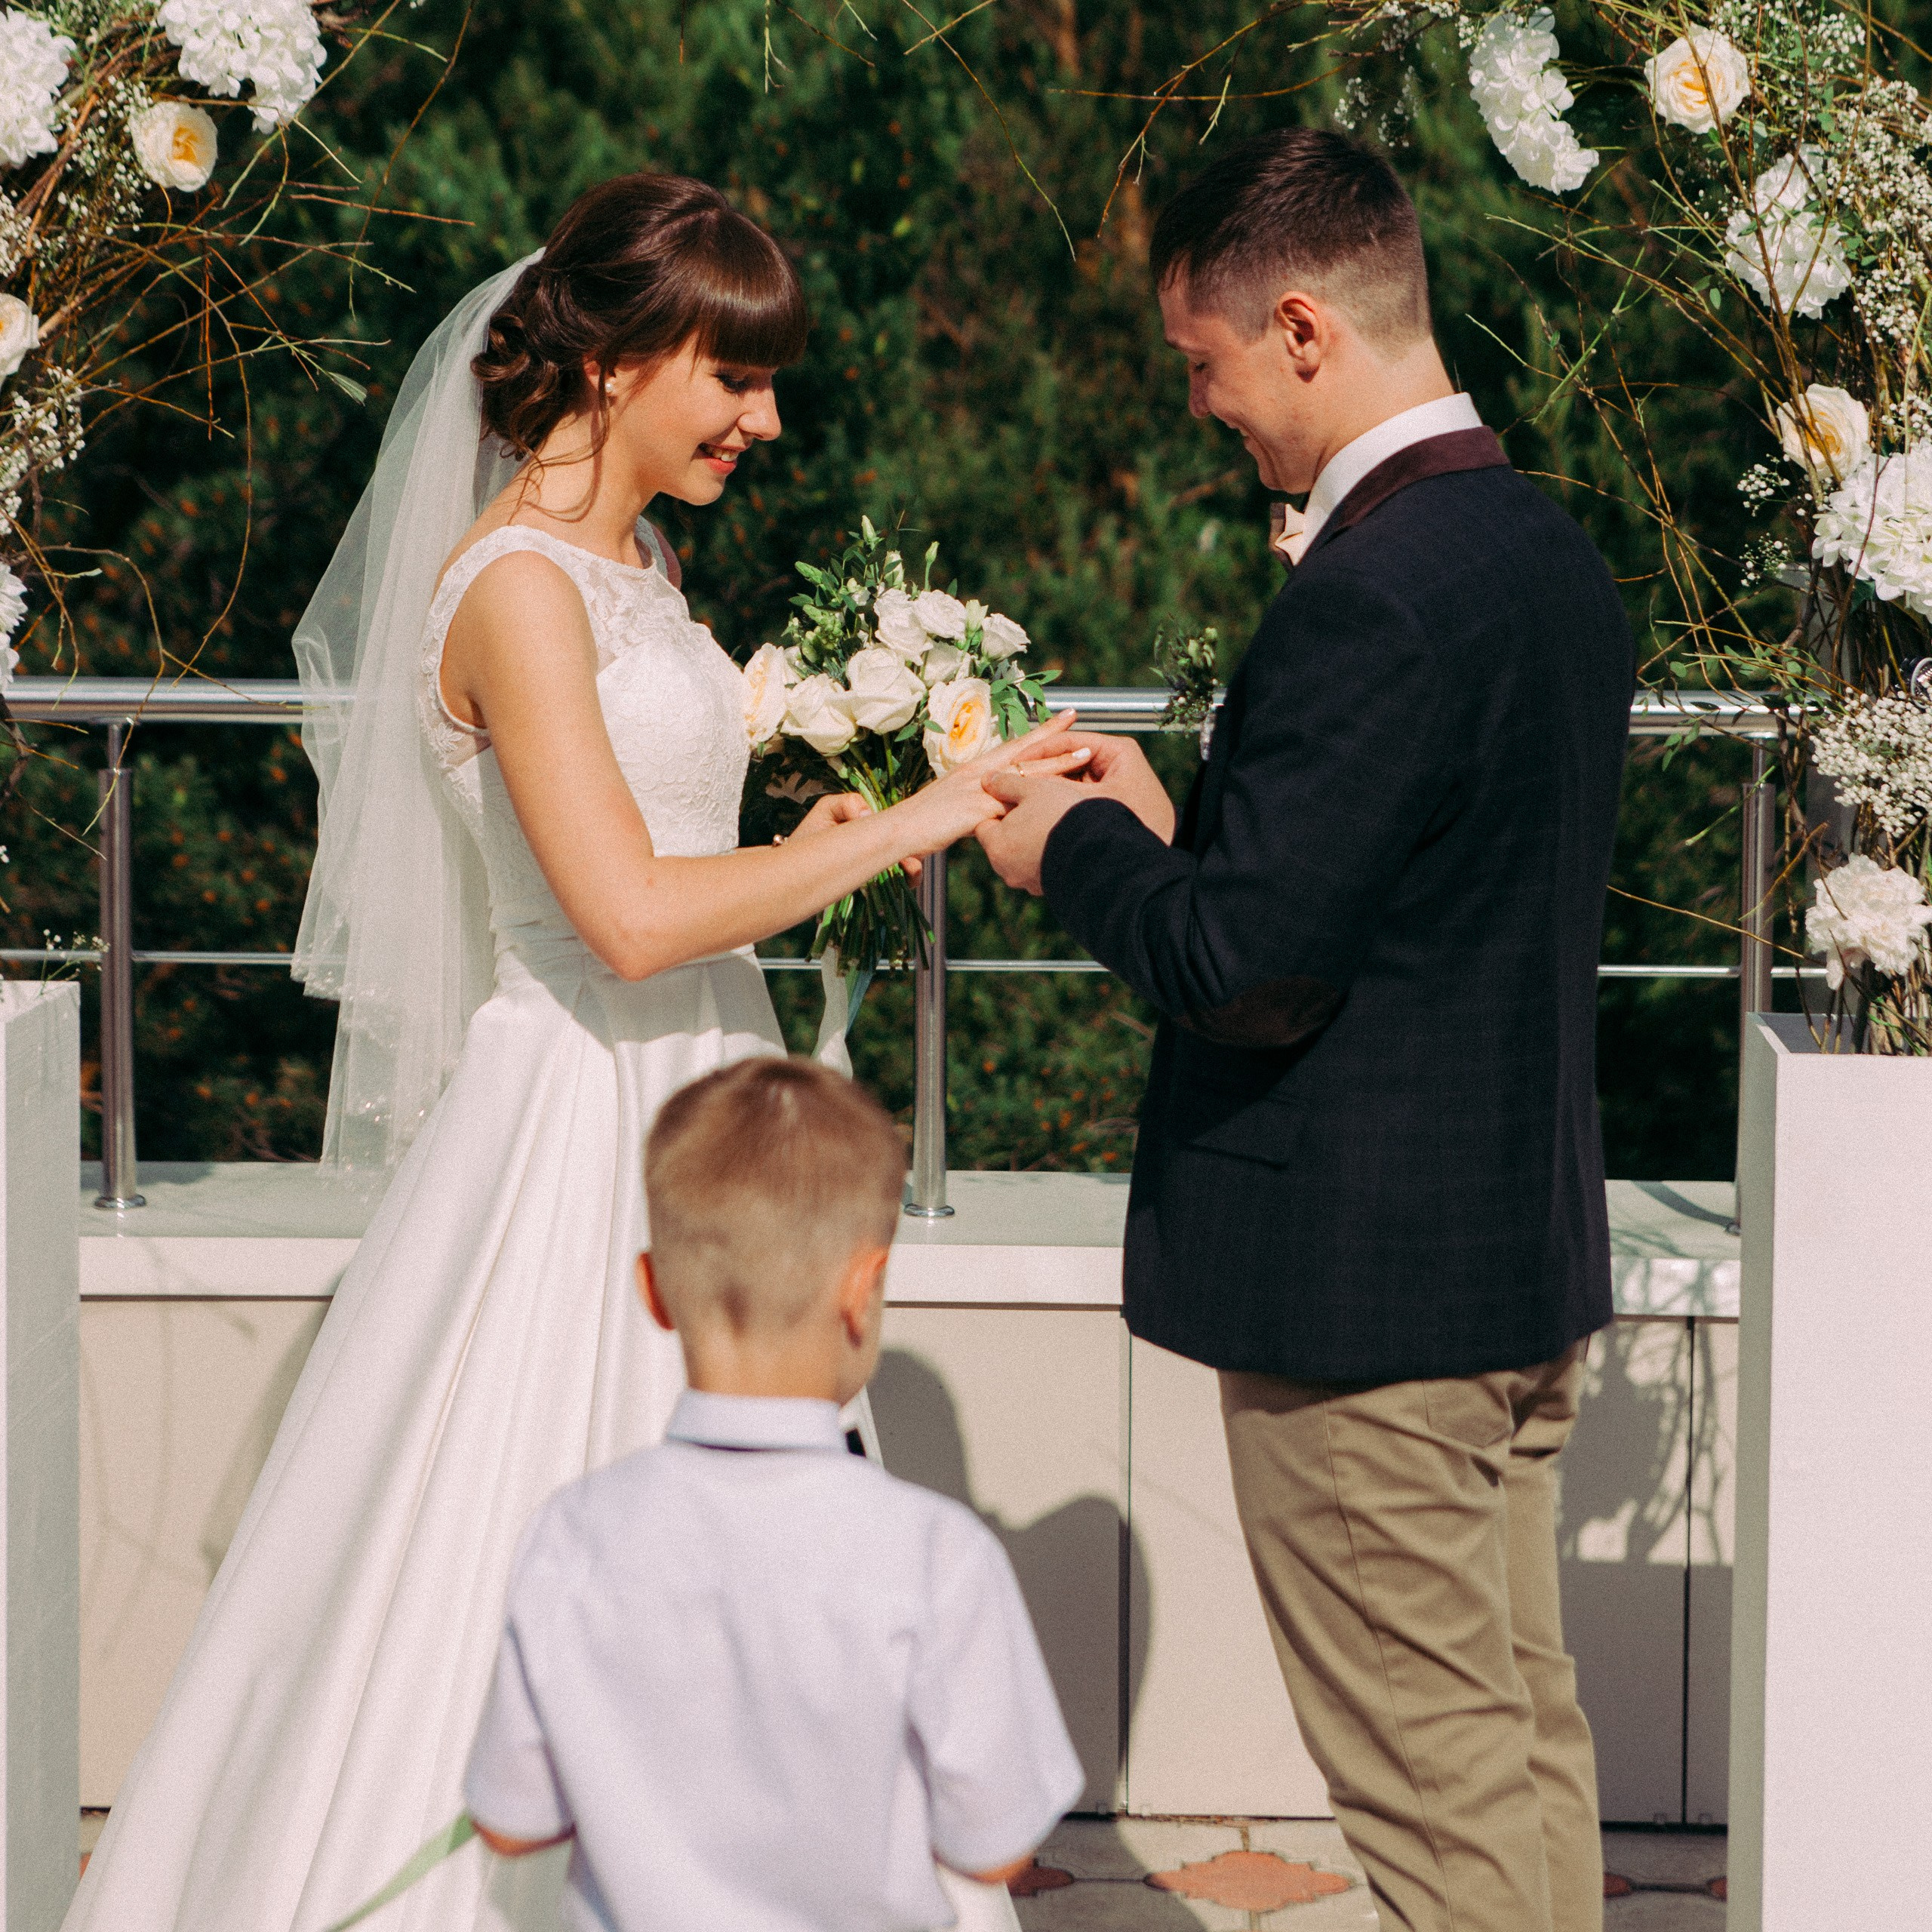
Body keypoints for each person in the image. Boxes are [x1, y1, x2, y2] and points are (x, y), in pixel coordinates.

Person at [66, 174, 1081, 1932]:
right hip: (576, 1104)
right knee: (509, 1502)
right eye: (731, 375)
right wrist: (897, 827)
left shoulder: (639, 561)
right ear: (612, 359)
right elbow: (615, 914)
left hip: (698, 1070)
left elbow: (668, 843)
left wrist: (806, 827)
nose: (763, 418)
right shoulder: (515, 592)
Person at [977, 128, 1632, 1932]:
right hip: (1502, 1263)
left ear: (1295, 329)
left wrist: (1078, 848)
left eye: (1200, 363)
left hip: (1365, 1315)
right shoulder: (1537, 553)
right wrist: (1184, 828)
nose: (1203, 408)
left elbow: (1245, 970)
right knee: (1513, 1749)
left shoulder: (1365, 594)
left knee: (1432, 1796)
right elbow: (1402, 903)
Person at [466, 1057, 1084, 1931]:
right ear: (862, 1292)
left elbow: (511, 1821)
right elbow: (994, 1846)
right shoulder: (935, 1553)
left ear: (654, 1293)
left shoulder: (575, 1532)